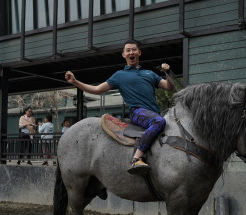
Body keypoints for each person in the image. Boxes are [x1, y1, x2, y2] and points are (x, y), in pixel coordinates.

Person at [65, 39, 174, 174]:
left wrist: (168, 72)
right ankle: (135, 159)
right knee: (159, 121)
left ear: (139, 52)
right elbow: (97, 89)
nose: (131, 52)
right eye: (128, 50)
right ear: (123, 55)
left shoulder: (150, 74)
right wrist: (75, 82)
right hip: (137, 112)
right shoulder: (119, 75)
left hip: (154, 113)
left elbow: (169, 87)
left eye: (134, 49)